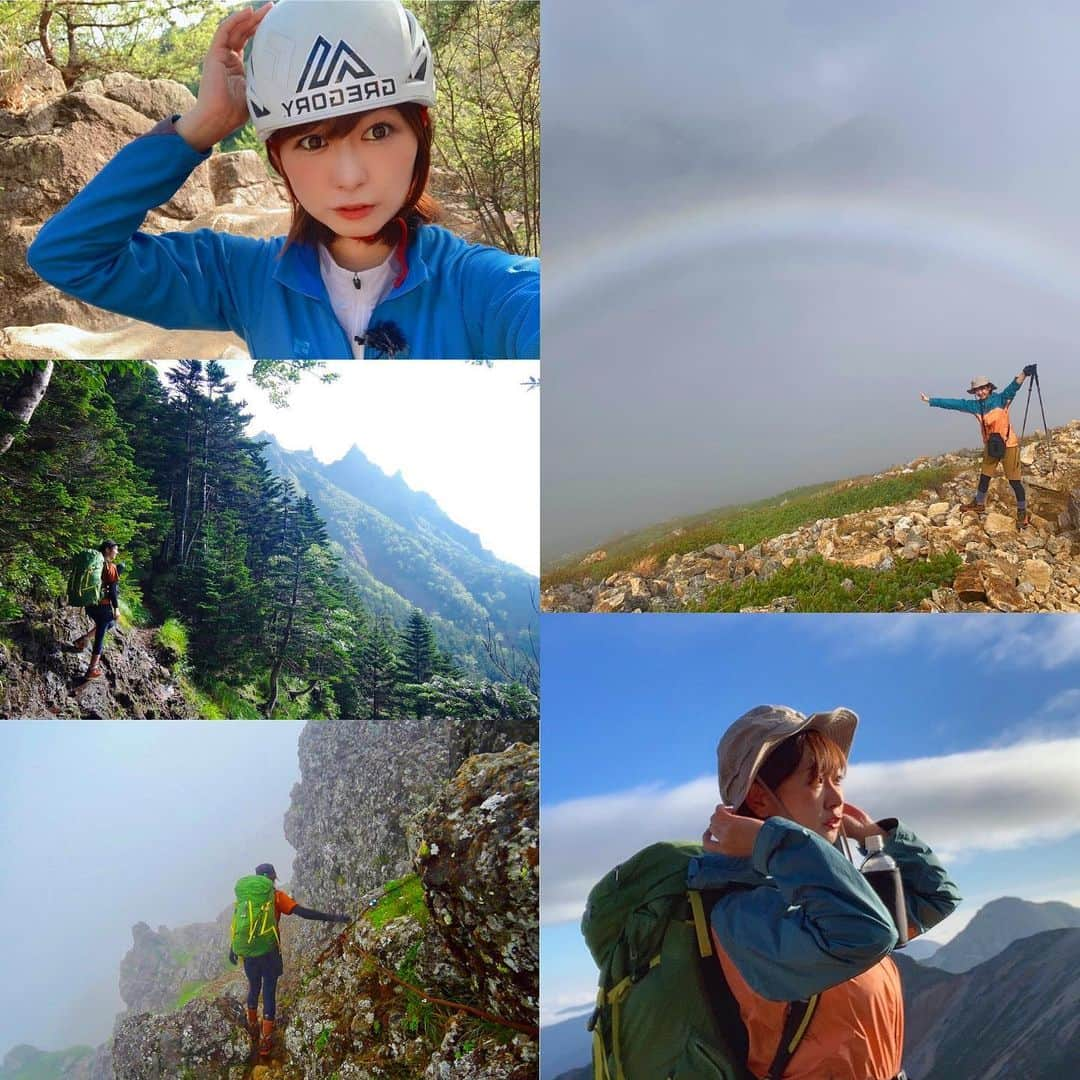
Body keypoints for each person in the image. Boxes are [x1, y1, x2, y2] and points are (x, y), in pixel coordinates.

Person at [27, 0, 539, 360]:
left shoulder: (482, 288)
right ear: (278, 159)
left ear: (420, 133)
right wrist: (194, 131)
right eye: (312, 142)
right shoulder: (243, 279)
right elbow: (69, 256)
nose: (349, 177)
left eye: (378, 131)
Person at [686, 704, 960, 1080]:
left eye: (838, 779)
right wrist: (777, 843)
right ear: (760, 797)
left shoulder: (826, 890)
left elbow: (936, 899)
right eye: (816, 782)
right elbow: (871, 935)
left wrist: (877, 838)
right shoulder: (741, 911)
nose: (836, 800)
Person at [230, 862, 350, 1057]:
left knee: (254, 988)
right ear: (273, 877)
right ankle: (265, 1041)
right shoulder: (276, 897)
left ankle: (252, 1026)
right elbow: (302, 912)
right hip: (269, 953)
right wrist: (333, 918)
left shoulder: (246, 899)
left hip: (248, 954)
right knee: (269, 993)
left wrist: (233, 949)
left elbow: (239, 925)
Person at [920, 366, 1036, 527]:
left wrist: (1025, 372)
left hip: (1009, 445)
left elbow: (1014, 386)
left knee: (1015, 481)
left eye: (983, 388)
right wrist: (931, 401)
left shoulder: (1002, 399)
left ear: (989, 388)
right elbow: (954, 404)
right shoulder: (975, 406)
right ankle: (979, 504)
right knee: (984, 476)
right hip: (991, 446)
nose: (980, 392)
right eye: (977, 390)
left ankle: (1022, 513)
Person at [69, 540, 122, 681]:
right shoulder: (110, 567)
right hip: (103, 606)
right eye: (115, 549)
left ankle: (84, 639)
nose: (117, 552)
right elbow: (113, 592)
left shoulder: (94, 565)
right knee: (100, 636)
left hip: (90, 604)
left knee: (110, 624)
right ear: (107, 550)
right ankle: (92, 669)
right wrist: (116, 608)